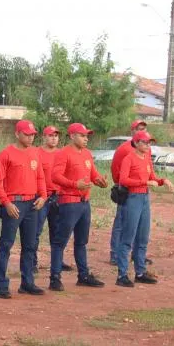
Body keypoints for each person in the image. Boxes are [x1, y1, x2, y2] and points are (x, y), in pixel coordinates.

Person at [48, 122, 107, 291]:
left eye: (87, 136)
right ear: (72, 136)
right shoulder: (64, 153)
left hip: (84, 203)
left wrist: (99, 181)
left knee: (81, 241)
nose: (86, 139)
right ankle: (55, 278)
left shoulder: (87, 154)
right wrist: (74, 184)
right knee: (60, 242)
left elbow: (92, 173)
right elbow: (55, 176)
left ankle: (83, 275)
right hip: (69, 202)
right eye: (82, 135)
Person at [0, 120, 47, 298]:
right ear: (17, 134)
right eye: (27, 134)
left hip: (32, 204)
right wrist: (6, 203)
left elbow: (40, 177)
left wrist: (43, 196)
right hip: (14, 204)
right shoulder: (6, 154)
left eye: (32, 134)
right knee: (6, 245)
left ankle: (27, 282)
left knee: (30, 245)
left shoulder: (34, 153)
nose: (30, 138)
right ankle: (1, 285)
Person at [115, 130, 174, 287]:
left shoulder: (147, 158)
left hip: (144, 198)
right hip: (133, 198)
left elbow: (152, 177)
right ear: (136, 143)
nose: (148, 145)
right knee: (128, 237)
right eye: (145, 142)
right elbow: (123, 180)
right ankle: (122, 274)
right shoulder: (129, 158)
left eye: (149, 143)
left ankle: (140, 272)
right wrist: (144, 182)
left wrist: (163, 180)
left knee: (142, 237)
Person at [109, 120, 150, 265]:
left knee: (140, 224)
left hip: (142, 191)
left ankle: (137, 255)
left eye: (144, 128)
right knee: (121, 221)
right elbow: (115, 168)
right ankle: (115, 254)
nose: (142, 130)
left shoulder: (146, 149)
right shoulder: (124, 149)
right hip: (127, 190)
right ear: (132, 131)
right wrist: (120, 184)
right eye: (139, 128)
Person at [34, 125, 67, 273]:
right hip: (42, 197)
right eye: (50, 135)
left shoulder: (62, 153)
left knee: (57, 231)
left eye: (56, 135)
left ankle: (57, 261)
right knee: (35, 231)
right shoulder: (37, 153)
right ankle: (32, 262)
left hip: (58, 196)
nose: (54, 138)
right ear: (44, 137)